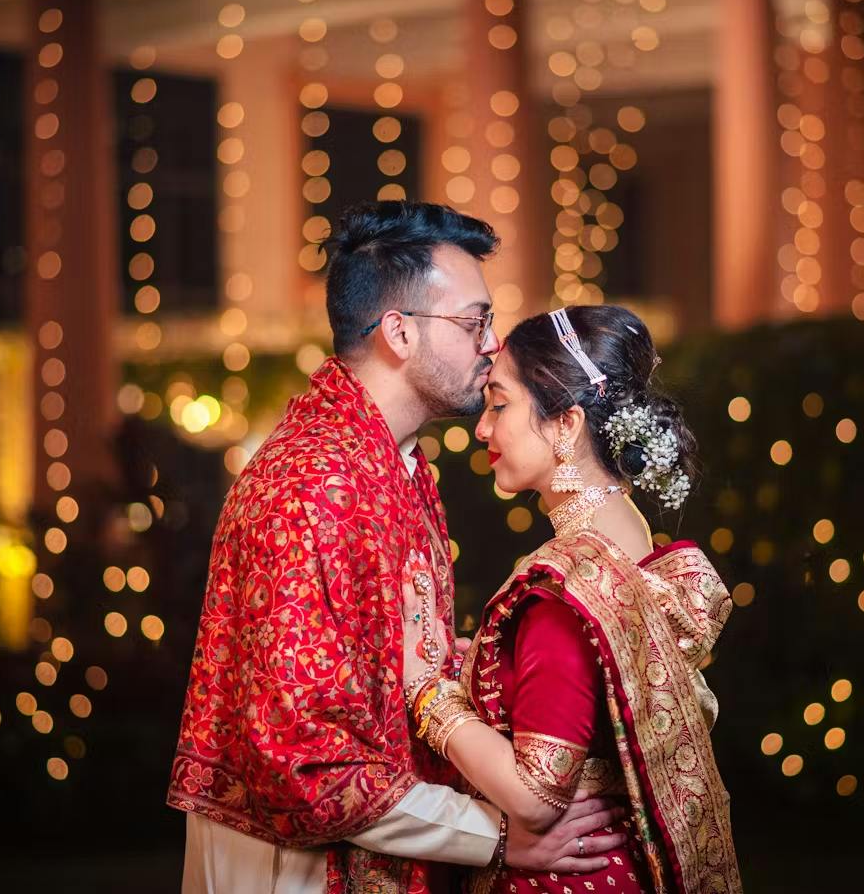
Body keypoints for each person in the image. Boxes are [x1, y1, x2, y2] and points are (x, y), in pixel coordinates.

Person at [168, 202, 628, 893]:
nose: (492, 344)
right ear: (399, 332)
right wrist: (500, 835)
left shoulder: (392, 463)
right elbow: (302, 759)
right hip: (295, 871)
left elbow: (398, 664)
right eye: (473, 321)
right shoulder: (312, 486)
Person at [400, 305, 743, 893]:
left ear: (566, 424)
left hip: (564, 876)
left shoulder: (568, 593)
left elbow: (536, 796)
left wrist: (426, 693)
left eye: (500, 405)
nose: (482, 429)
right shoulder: (632, 543)